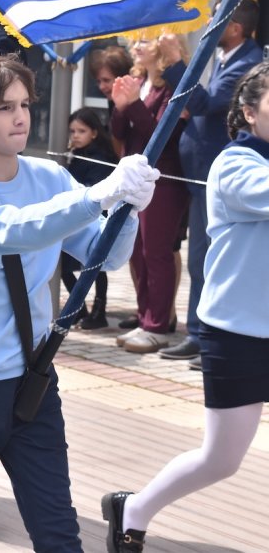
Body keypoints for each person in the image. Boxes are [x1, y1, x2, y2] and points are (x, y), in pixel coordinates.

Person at [0, 51, 157, 551]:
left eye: (24, 104)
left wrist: (128, 210)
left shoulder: (48, 177)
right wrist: (98, 195)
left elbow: (101, 256)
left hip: (33, 380)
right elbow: (19, 230)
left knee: (57, 528)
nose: (20, 116)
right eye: (3, 107)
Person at [101, 61, 269, 553]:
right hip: (238, 332)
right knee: (221, 459)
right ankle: (133, 509)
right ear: (248, 111)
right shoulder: (236, 165)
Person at [161, 0, 262, 363]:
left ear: (235, 27)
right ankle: (198, 332)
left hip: (217, 177)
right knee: (200, 257)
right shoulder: (228, 58)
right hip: (199, 173)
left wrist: (176, 64)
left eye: (218, 15)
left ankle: (210, 337)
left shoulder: (248, 64)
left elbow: (205, 104)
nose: (210, 21)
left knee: (210, 258)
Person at [111, 35, 189, 353]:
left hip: (165, 180)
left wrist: (132, 105)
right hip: (137, 178)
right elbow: (120, 131)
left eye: (146, 40)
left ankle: (157, 325)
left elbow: (160, 136)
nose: (138, 45)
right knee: (137, 250)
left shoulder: (171, 87)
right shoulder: (140, 82)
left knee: (156, 253)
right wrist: (121, 107)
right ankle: (146, 318)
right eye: (136, 41)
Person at [62, 107, 119, 329]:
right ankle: (79, 309)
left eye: (81, 131)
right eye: (72, 131)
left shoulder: (100, 158)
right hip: (76, 216)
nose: (75, 135)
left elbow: (96, 189)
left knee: (95, 265)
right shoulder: (77, 154)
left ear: (94, 133)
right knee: (65, 265)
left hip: (95, 218)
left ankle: (98, 311)